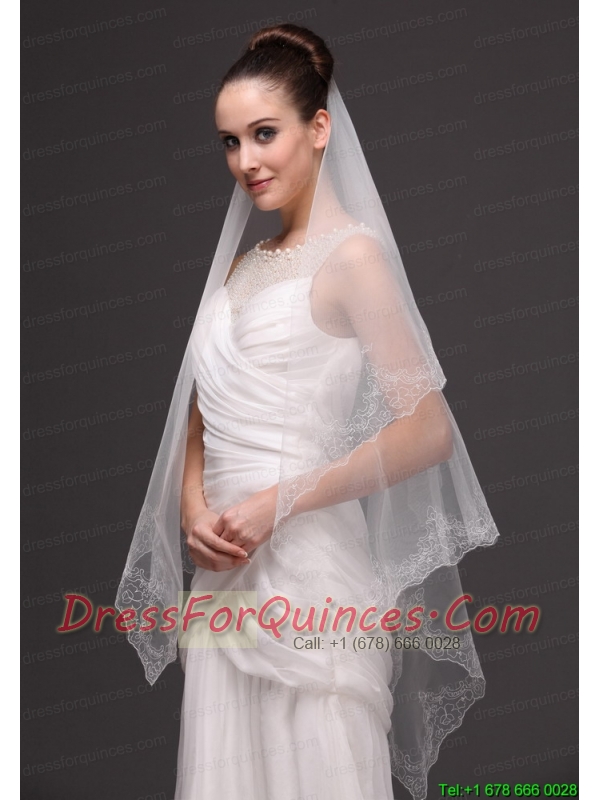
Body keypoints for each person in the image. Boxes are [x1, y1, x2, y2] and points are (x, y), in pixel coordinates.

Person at [116, 23, 499, 800]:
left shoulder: (353, 257)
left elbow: (427, 430)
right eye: (230, 142)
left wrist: (278, 503)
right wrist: (193, 510)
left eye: (265, 134)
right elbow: (200, 418)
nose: (245, 161)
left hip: (314, 580)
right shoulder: (239, 268)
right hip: (225, 579)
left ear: (319, 128)